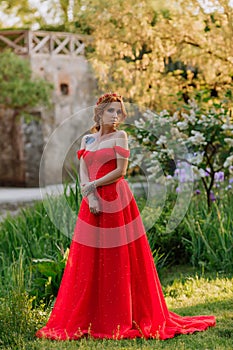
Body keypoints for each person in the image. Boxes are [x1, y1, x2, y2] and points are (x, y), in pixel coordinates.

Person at [35, 93, 216, 341]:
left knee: (117, 257)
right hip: (92, 201)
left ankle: (118, 316)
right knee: (89, 259)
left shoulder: (121, 136)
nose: (116, 115)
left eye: (119, 111)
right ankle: (90, 316)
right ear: (99, 113)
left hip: (116, 200)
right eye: (111, 111)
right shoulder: (87, 139)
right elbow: (83, 172)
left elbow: (120, 171)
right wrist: (90, 196)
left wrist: (95, 186)